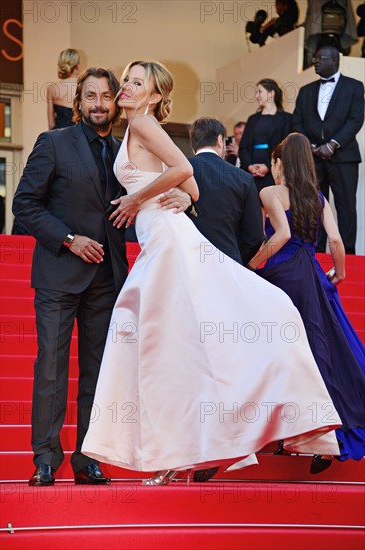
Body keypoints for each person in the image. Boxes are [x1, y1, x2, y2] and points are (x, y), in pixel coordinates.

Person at [81, 60, 341, 486]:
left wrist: (136, 200)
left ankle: (264, 421)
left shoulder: (144, 124)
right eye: (125, 81)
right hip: (159, 240)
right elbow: (192, 189)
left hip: (169, 244)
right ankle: (182, 449)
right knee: (172, 349)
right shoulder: (132, 129)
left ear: (155, 96)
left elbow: (187, 173)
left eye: (136, 83)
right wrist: (178, 198)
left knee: (171, 342)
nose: (126, 87)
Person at [12, 66, 192, 487]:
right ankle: (45, 457)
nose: (98, 104)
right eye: (90, 96)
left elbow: (157, 183)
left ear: (116, 103)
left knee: (98, 372)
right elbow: (25, 204)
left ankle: (87, 457)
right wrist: (69, 238)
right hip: (59, 274)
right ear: (78, 103)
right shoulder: (53, 143)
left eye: (106, 96)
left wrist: (184, 195)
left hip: (108, 278)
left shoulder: (125, 148)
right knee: (52, 369)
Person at [248, 133, 365, 472]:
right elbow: (337, 241)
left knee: (284, 353)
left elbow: (280, 235)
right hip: (313, 275)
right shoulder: (317, 197)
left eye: (274, 162)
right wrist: (339, 274)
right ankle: (321, 433)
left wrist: (252, 265)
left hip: (285, 276)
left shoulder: (269, 192)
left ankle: (290, 430)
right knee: (322, 350)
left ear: (280, 163)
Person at [292, 46, 364, 255]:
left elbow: (356, 119)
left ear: (335, 60)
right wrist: (312, 147)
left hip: (344, 157)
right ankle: (316, 252)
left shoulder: (355, 87)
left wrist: (332, 144)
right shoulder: (306, 90)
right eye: (315, 58)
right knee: (314, 206)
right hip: (313, 158)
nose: (316, 61)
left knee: (346, 207)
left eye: (321, 58)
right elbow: (297, 120)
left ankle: (347, 254)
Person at [186, 116, 264, 265]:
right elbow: (255, 236)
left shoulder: (181, 170)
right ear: (220, 140)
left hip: (186, 260)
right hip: (228, 260)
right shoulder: (244, 178)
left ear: (193, 143)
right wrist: (234, 258)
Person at [238, 79, 291, 193]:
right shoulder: (252, 119)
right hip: (251, 173)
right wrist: (249, 166)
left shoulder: (286, 119)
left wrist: (268, 166)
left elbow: (285, 148)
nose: (257, 96)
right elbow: (243, 147)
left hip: (274, 172)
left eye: (260, 92)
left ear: (271, 93)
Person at [303, 0, 358, 69]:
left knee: (311, 55)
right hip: (338, 30)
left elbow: (311, 11)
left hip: (316, 28)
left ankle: (309, 73)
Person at [47, 48, 80, 130]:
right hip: (79, 136)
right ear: (77, 66)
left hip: (58, 137)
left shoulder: (52, 88)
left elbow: (51, 123)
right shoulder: (84, 86)